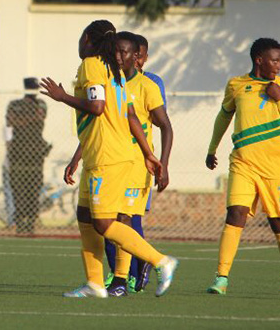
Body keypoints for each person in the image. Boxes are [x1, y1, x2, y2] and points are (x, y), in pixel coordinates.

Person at [40, 20, 178, 299]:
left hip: (108, 156)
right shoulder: (115, 72)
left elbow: (97, 107)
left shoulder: (92, 64)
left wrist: (62, 96)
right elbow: (129, 115)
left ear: (88, 39)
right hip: (98, 153)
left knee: (105, 223)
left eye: (81, 37)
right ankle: (94, 283)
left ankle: (161, 261)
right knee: (85, 218)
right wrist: (150, 154)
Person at [205, 37, 280, 297]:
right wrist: (212, 148)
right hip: (243, 163)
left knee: (278, 222)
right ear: (259, 59)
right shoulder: (237, 85)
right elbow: (223, 118)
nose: (279, 65)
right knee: (235, 214)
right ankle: (221, 278)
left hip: (276, 169)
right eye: (274, 60)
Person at [100, 31, 173, 296]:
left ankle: (123, 278)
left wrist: (162, 163)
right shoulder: (108, 83)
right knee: (106, 222)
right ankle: (137, 265)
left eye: (125, 52)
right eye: (115, 51)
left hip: (136, 164)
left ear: (137, 56)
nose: (119, 57)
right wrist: (77, 157)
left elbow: (166, 127)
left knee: (124, 219)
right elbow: (100, 124)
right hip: (110, 161)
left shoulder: (147, 86)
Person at [5, 77, 52, 235]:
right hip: (17, 155)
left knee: (33, 190)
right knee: (18, 191)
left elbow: (40, 117)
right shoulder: (15, 104)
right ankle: (19, 223)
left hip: (35, 156)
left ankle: (31, 223)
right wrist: (29, 119)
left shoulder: (41, 103)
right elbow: (10, 122)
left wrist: (21, 120)